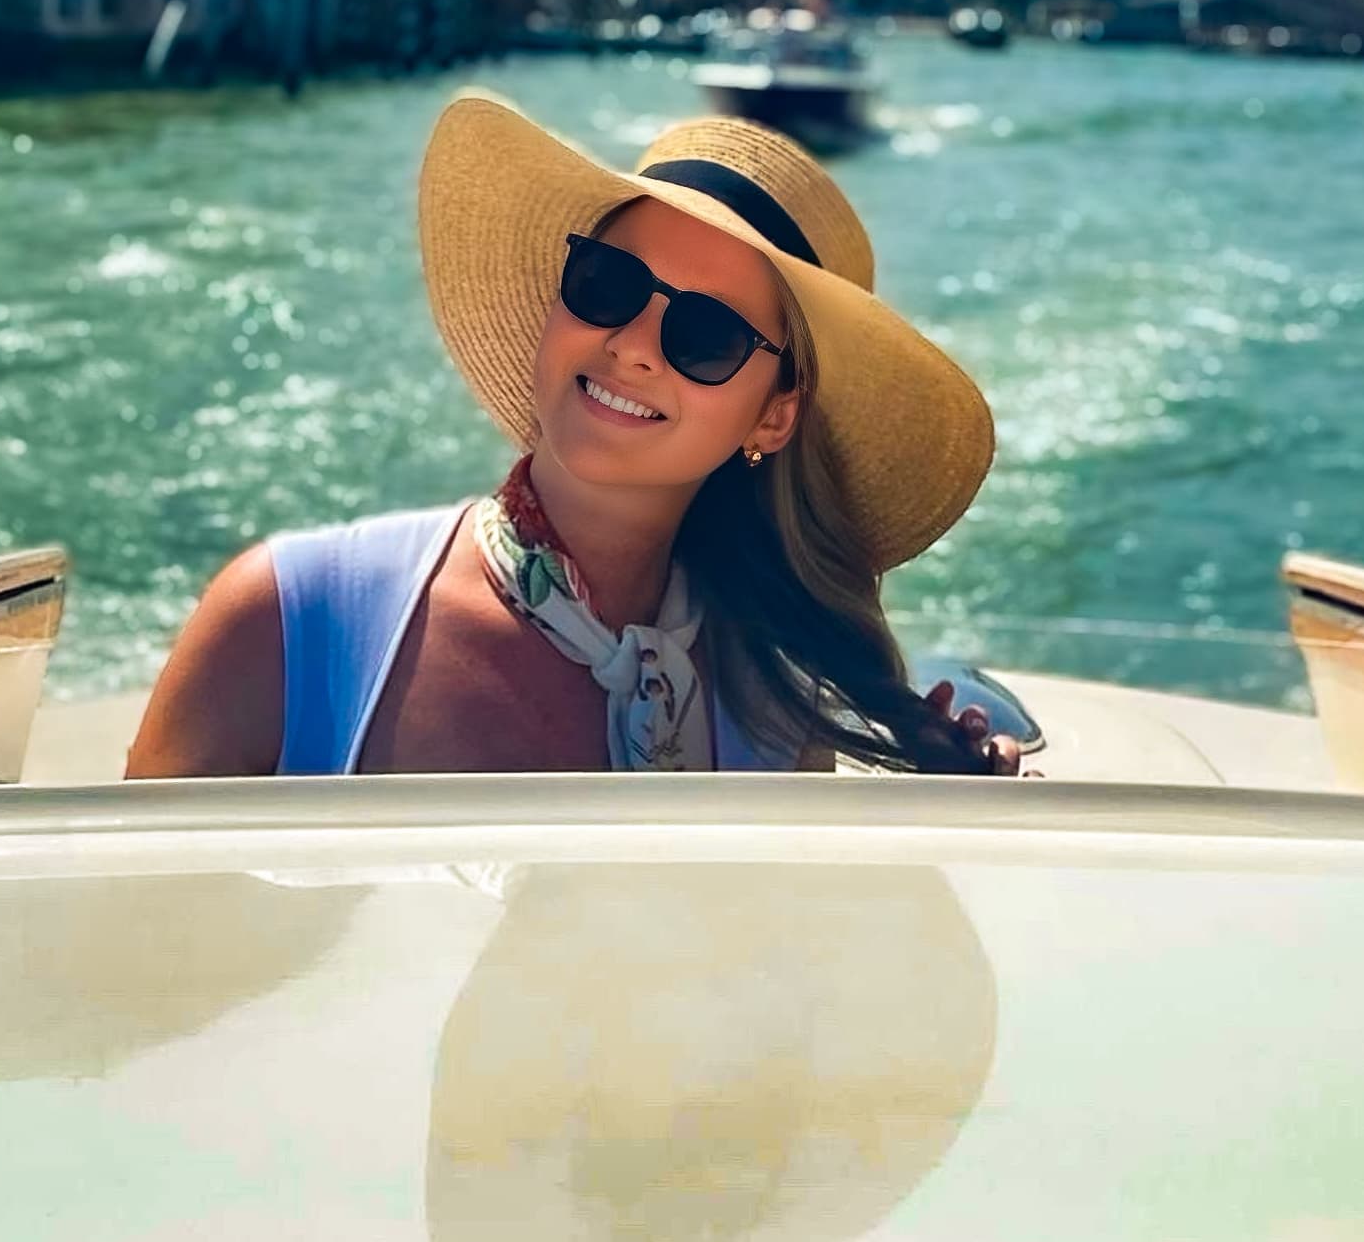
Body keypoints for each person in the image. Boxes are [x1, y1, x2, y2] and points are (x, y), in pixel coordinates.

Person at [127, 92, 1016, 778]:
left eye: (704, 334)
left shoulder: (773, 713)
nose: (629, 344)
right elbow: (126, 993)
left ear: (773, 414)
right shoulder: (286, 622)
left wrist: (947, 839)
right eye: (607, 282)